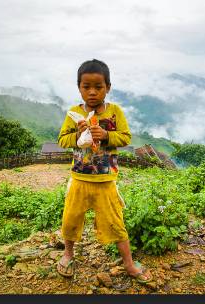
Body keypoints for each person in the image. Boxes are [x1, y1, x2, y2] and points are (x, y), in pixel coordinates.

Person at [56, 59, 152, 283]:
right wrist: (79, 137)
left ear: (108, 87)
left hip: (106, 180)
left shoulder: (115, 112)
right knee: (71, 218)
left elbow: (126, 137)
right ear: (78, 87)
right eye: (86, 87)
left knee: (115, 221)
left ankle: (128, 263)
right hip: (79, 178)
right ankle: (68, 254)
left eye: (98, 87)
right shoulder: (73, 113)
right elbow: (62, 140)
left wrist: (107, 135)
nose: (92, 92)